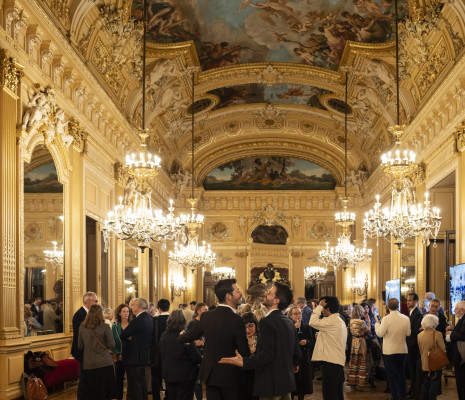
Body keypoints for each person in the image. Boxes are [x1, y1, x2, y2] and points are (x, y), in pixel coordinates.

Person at [220, 282, 301, 399]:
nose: (266, 294)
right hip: (286, 383)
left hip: (270, 384)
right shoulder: (289, 322)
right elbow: (296, 351)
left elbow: (266, 356)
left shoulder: (266, 321)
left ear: (276, 300)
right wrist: (295, 363)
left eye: (270, 293)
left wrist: (244, 362)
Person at [179, 278, 250, 400]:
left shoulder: (206, 316)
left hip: (210, 374)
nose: (241, 293)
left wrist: (181, 337)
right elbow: (245, 353)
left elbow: (188, 336)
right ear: (228, 296)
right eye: (237, 290)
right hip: (231, 376)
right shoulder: (237, 320)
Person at [310, 296, 347, 400]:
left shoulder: (332, 320)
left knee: (329, 393)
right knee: (336, 392)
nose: (321, 311)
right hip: (335, 360)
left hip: (331, 361)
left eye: (322, 307)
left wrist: (317, 308)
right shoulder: (337, 320)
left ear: (328, 308)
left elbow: (312, 322)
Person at [160, 309, 202, 400]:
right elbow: (196, 358)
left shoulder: (164, 335)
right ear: (183, 320)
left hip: (169, 374)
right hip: (185, 376)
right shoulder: (185, 336)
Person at [375, 298, 411, 400]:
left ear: (387, 307)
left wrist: (377, 324)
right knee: (401, 374)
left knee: (391, 375)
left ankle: (395, 396)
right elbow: (408, 333)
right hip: (402, 350)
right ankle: (402, 396)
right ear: (398, 306)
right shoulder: (406, 318)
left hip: (389, 351)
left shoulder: (386, 319)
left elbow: (380, 333)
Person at [77, 304, 116, 400]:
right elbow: (112, 344)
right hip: (104, 363)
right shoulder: (105, 327)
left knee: (92, 392)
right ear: (100, 314)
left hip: (89, 363)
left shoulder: (82, 327)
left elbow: (80, 346)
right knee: (105, 392)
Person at [120, 297, 153, 400]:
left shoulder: (138, 320)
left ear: (138, 307)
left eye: (133, 305)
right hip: (142, 356)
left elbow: (123, 335)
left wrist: (130, 337)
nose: (131, 308)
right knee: (141, 383)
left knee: (135, 385)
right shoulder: (149, 317)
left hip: (133, 357)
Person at [72, 291, 98, 400]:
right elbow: (81, 336)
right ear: (88, 301)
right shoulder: (80, 314)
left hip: (88, 352)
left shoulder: (88, 314)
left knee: (89, 377)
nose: (97, 303)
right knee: (84, 378)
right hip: (82, 351)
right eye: (95, 301)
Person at [417, 314, 446, 400]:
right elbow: (443, 349)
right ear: (435, 323)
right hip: (435, 363)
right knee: (434, 385)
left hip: (424, 363)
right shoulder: (437, 334)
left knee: (425, 384)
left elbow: (421, 349)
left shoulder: (419, 335)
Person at [288, 305, 313, 400]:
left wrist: (306, 342)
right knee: (292, 382)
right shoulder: (288, 327)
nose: (298, 315)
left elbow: (312, 343)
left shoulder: (306, 327)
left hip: (304, 358)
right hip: (292, 357)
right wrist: (293, 329)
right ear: (290, 316)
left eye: (299, 313)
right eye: (295, 314)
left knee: (302, 383)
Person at [187, 302, 208, 400]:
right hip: (196, 354)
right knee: (197, 382)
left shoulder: (209, 323)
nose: (208, 312)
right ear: (198, 311)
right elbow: (187, 339)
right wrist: (195, 343)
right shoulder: (192, 323)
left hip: (207, 354)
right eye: (205, 310)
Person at [347, 304, 370, 391]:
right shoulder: (361, 322)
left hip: (354, 342)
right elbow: (368, 330)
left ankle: (352, 382)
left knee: (353, 361)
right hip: (361, 342)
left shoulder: (351, 321)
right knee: (361, 362)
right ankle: (360, 383)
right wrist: (368, 320)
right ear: (360, 312)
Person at [151, 298, 170, 400]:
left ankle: (156, 397)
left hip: (157, 352)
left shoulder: (154, 320)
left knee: (155, 377)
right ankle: (168, 396)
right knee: (169, 376)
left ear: (158, 308)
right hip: (171, 353)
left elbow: (151, 337)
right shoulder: (173, 319)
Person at [446, 300, 465, 400]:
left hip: (461, 357)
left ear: (462, 310)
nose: (454, 310)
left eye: (456, 309)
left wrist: (451, 334)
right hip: (460, 355)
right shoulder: (462, 319)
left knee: (461, 382)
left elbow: (462, 335)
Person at [112, 304, 131, 400]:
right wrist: (118, 354)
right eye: (123, 311)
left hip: (131, 356)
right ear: (119, 313)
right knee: (119, 380)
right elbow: (113, 342)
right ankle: (119, 397)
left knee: (131, 381)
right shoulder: (115, 327)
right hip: (119, 357)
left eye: (127, 311)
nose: (126, 313)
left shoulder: (132, 325)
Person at [407, 293, 423, 399]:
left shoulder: (418, 313)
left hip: (413, 347)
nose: (408, 302)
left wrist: (410, 345)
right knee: (411, 370)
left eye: (410, 300)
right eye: (407, 300)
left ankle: (414, 391)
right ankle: (412, 389)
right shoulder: (411, 312)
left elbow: (416, 332)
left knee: (414, 370)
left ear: (416, 301)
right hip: (410, 345)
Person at [241, 312, 259, 400]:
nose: (247, 330)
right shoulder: (240, 340)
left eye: (250, 326)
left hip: (259, 377)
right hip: (244, 377)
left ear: (256, 325)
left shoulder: (262, 339)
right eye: (245, 327)